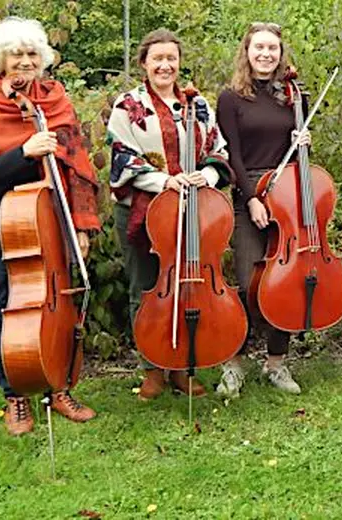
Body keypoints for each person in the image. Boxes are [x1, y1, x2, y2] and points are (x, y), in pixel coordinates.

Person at [0, 16, 101, 435]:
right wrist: (24, 151)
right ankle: (16, 395)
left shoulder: (55, 99)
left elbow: (77, 164)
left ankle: (59, 385)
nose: (25, 61)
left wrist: (81, 225)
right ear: (0, 61)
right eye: (16, 54)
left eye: (31, 54)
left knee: (60, 298)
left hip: (55, 210)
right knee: (10, 302)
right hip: (8, 216)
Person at [107, 29, 232, 400]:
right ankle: (152, 369)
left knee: (189, 289)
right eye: (157, 58)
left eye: (171, 58)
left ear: (179, 62)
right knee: (146, 289)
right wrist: (164, 181)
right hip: (143, 211)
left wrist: (208, 175)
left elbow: (218, 148)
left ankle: (182, 367)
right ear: (144, 63)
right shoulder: (128, 105)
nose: (165, 65)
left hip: (192, 213)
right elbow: (122, 156)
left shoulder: (197, 104)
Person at [215, 22, 308, 397]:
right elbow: (232, 155)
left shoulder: (292, 96)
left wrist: (303, 143)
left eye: (272, 48)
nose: (266, 54)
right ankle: (233, 364)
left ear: (280, 54)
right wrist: (251, 197)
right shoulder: (231, 98)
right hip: (249, 193)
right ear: (247, 52)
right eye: (259, 48)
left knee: (285, 282)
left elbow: (298, 160)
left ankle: (276, 362)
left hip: (286, 195)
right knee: (248, 282)